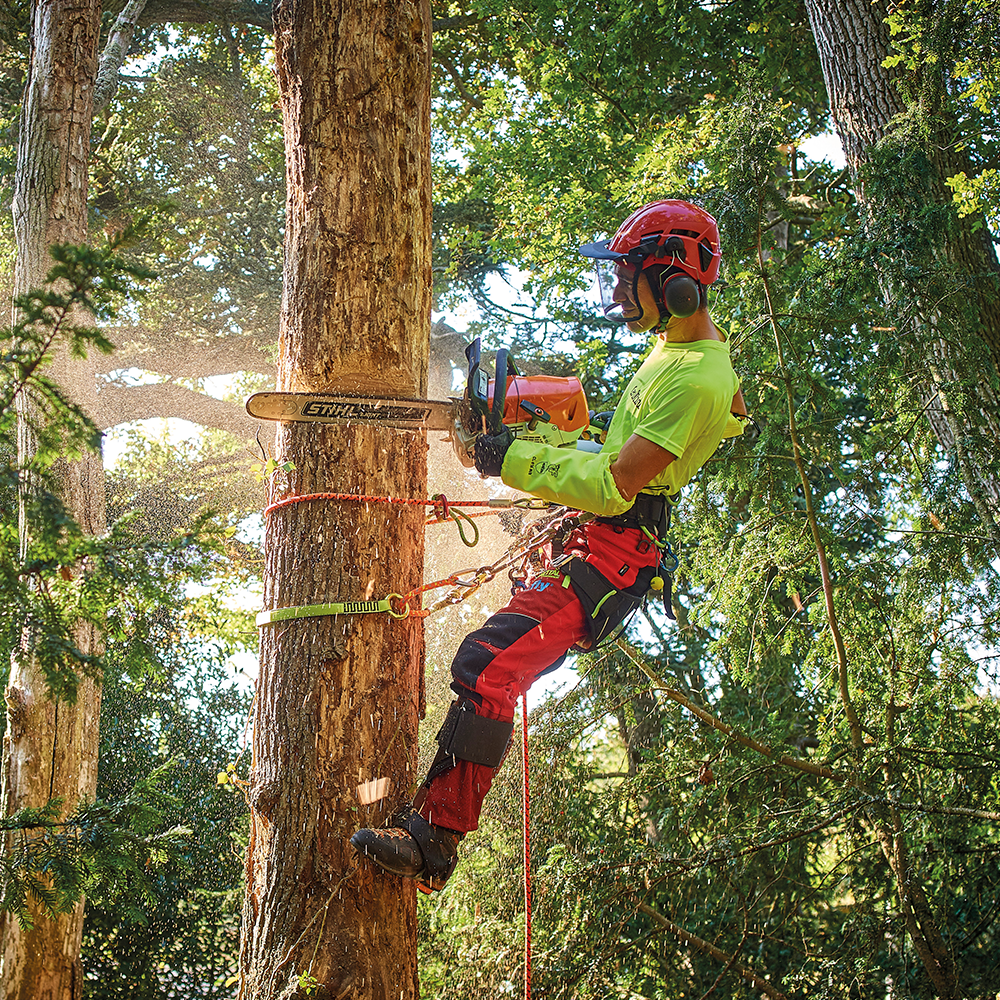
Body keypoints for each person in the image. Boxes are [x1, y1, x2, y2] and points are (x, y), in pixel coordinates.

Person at [351, 200, 748, 892]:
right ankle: (430, 828)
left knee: (488, 664)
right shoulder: (672, 354)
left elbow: (620, 483)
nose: (618, 294)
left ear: (675, 279)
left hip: (613, 558)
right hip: (588, 544)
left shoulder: (700, 378)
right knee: (488, 660)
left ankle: (433, 841)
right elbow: (607, 451)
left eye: (628, 278)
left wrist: (515, 461)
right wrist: (530, 434)